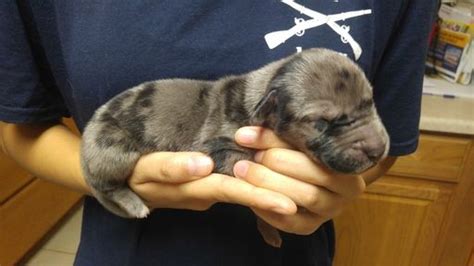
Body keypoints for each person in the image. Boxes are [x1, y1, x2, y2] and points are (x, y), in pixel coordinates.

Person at [0, 1, 437, 265]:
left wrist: (320, 189)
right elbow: (24, 129)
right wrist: (118, 180)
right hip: (126, 251)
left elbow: (384, 148)